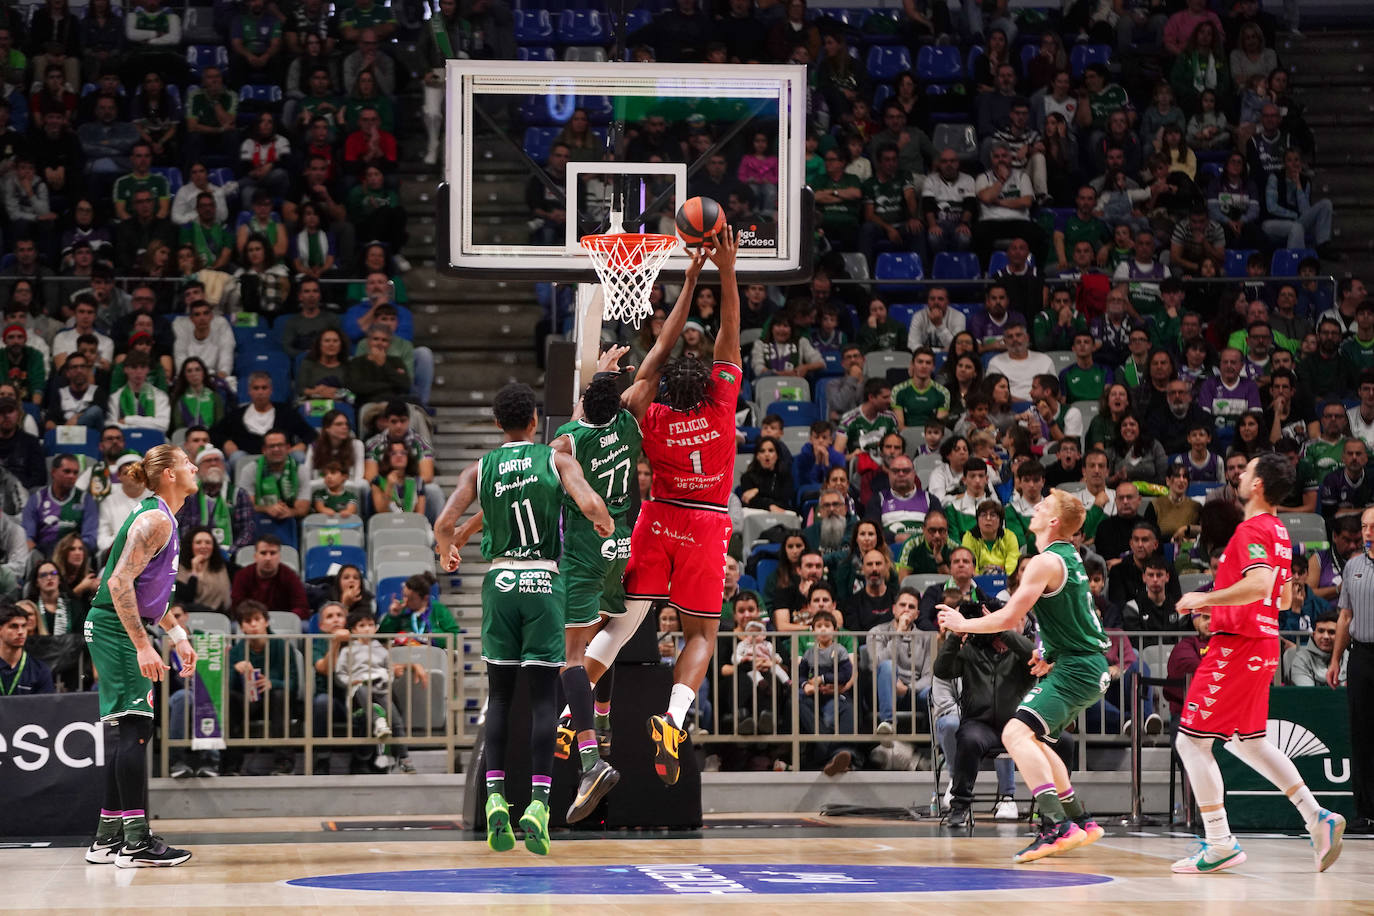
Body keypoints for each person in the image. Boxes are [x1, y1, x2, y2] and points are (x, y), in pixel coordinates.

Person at [434, 382, 611, 856]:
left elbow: (446, 523)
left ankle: (494, 798)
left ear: (497, 423)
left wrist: (447, 550)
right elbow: (592, 504)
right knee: (542, 703)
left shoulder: (480, 467)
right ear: (534, 421)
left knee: (500, 696)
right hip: (543, 582)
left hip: (500, 581)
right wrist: (604, 523)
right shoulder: (554, 459)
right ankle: (537, 805)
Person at [1172, 453, 1346, 873]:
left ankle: (1219, 842)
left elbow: (1260, 584)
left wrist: (1206, 597)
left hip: (1237, 646)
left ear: (1258, 486)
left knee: (1190, 742)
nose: (1240, 472)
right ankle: (1315, 817)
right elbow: (1284, 597)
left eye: (1247, 469)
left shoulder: (1252, 529)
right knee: (1247, 741)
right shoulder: (1280, 532)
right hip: (1262, 643)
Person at [937, 488, 1110, 863]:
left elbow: (1010, 618)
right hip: (1081, 662)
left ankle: (1054, 826)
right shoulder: (1068, 557)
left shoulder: (1044, 561)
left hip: (1079, 666)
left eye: (1044, 505)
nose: (1036, 507)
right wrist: (1049, 653)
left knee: (1014, 733)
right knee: (1039, 742)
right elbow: (1070, 617)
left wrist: (962, 622)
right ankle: (1079, 819)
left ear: (1053, 522)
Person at [82, 444, 198, 867]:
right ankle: (136, 843)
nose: (195, 466)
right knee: (136, 731)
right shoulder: (152, 520)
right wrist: (143, 645)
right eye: (187, 462)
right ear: (168, 473)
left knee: (129, 730)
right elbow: (118, 583)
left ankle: (107, 837)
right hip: (115, 627)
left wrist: (178, 635)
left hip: (114, 625)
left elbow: (148, 595)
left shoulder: (163, 518)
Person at [934, 598, 1038, 828]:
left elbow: (1034, 656)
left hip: (1015, 725)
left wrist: (1000, 625)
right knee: (969, 739)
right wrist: (957, 633)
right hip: (979, 724)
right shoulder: (973, 651)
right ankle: (959, 805)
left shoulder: (1021, 652)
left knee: (1059, 741)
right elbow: (942, 670)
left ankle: (1052, 810)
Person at [1331, 505, 1374, 833]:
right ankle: (1365, 810)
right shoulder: (1353, 566)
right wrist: (1335, 659)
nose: (1368, 532)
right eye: (1364, 526)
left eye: (1372, 526)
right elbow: (1344, 616)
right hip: (1361, 657)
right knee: (1361, 734)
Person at [229, 534, 308, 620]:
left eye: (273, 553)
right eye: (263, 553)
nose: (268, 558)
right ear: (255, 556)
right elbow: (237, 607)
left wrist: (284, 619)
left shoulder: (290, 576)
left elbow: (302, 608)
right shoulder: (242, 575)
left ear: (279, 557)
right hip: (252, 622)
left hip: (282, 625)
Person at [0, 601, 55, 695]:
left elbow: (46, 708)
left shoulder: (40, 670)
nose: (21, 632)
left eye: (24, 626)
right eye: (14, 626)